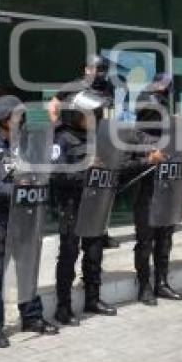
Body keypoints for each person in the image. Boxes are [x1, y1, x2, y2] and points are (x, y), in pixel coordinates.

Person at [0, 95, 58, 348]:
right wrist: (13, 190)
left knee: (28, 269)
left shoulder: (24, 142)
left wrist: (52, 110)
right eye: (16, 116)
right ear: (3, 121)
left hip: (26, 215)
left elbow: (46, 121)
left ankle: (31, 317)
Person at [51, 89, 124, 325]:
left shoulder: (96, 138)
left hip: (94, 203)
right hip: (72, 205)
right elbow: (56, 175)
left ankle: (93, 298)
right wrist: (85, 169)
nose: (94, 118)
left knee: (94, 253)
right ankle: (63, 308)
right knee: (69, 255)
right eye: (89, 114)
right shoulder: (61, 138)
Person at [47, 55, 120, 250]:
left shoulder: (107, 88)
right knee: (74, 184)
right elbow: (53, 104)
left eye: (104, 70)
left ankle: (101, 232)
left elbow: (109, 111)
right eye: (98, 69)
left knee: (102, 185)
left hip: (97, 137)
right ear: (87, 69)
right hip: (74, 138)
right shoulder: (74, 85)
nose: (101, 73)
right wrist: (58, 127)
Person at [131, 73, 182, 305]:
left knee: (165, 239)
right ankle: (144, 286)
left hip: (168, 190)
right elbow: (127, 164)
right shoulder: (135, 136)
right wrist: (148, 157)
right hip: (148, 193)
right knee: (145, 241)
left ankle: (161, 282)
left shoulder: (168, 134)